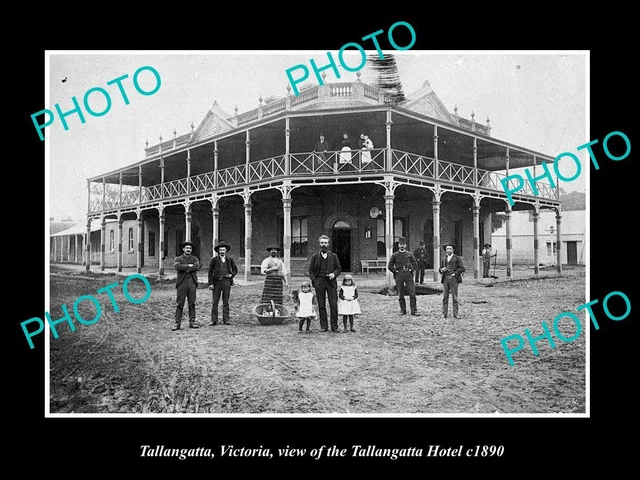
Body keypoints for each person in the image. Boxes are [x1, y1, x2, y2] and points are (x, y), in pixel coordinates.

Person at [309, 234, 342, 332]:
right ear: (319, 244)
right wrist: (314, 281)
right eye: (322, 243)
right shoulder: (315, 257)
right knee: (321, 305)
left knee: (333, 305)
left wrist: (334, 274)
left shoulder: (333, 256)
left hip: (331, 282)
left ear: (328, 244)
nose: (324, 245)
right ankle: (324, 326)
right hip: (319, 282)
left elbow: (338, 268)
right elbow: (311, 270)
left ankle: (334, 326)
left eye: (325, 243)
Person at [208, 241, 238, 325]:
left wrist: (231, 275)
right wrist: (210, 283)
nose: (222, 251)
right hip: (216, 282)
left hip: (226, 282)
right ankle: (214, 320)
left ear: (226, 251)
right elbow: (210, 272)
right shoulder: (214, 260)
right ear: (218, 251)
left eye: (223, 250)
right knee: (215, 301)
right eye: (220, 250)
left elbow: (235, 269)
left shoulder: (230, 260)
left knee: (226, 301)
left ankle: (226, 319)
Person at [387, 237, 420, 316]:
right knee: (401, 293)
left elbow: (415, 264)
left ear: (406, 245)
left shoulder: (410, 254)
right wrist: (396, 271)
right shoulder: (395, 255)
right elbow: (390, 265)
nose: (402, 246)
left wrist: (411, 270)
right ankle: (403, 310)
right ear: (398, 245)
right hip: (399, 275)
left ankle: (414, 310)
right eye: (401, 244)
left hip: (408, 275)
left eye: (403, 244)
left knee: (412, 293)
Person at [173, 240, 201, 331]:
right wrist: (189, 266)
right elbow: (177, 267)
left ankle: (192, 321)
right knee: (180, 303)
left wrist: (186, 268)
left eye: (190, 248)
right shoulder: (178, 259)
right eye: (187, 248)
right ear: (183, 249)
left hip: (192, 282)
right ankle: (177, 323)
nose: (188, 249)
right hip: (182, 283)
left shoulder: (195, 258)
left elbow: (197, 266)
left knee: (192, 303)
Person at [439, 241, 465, 319]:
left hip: (453, 279)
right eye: (447, 249)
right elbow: (440, 268)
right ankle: (444, 313)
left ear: (453, 250)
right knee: (445, 297)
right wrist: (441, 270)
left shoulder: (457, 258)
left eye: (450, 249)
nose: (449, 250)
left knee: (454, 297)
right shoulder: (444, 259)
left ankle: (455, 314)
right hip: (445, 279)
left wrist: (455, 274)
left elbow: (462, 268)